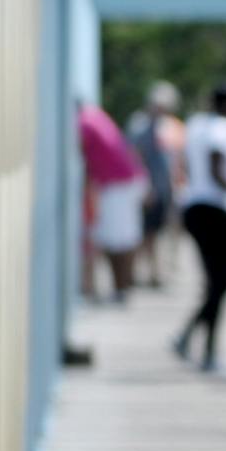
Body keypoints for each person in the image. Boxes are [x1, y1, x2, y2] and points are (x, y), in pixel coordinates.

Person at [172, 84, 226, 372]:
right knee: (222, 282)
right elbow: (216, 166)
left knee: (217, 283)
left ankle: (189, 336)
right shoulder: (222, 128)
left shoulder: (196, 124)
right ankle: (207, 350)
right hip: (217, 209)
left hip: (195, 206)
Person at [77, 102, 147, 304]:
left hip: (118, 185)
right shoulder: (95, 116)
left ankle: (122, 288)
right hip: (123, 182)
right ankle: (121, 288)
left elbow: (80, 153)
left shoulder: (84, 123)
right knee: (119, 239)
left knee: (118, 240)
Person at [126, 82, 184, 289]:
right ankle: (147, 271)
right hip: (148, 188)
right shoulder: (139, 125)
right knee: (146, 232)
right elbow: (135, 157)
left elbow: (176, 158)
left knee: (163, 231)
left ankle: (160, 270)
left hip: (167, 188)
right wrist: (144, 186)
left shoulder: (170, 126)